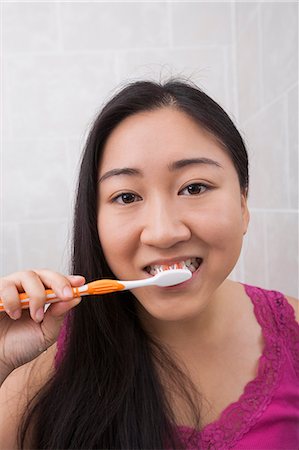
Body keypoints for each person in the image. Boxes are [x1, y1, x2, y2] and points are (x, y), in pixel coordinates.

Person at [0, 79, 298, 450]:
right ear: (94, 220)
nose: (162, 233)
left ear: (242, 203)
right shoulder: (37, 370)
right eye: (126, 196)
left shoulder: (294, 332)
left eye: (194, 188)